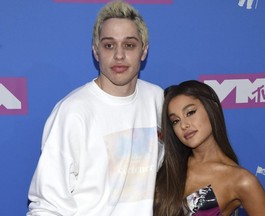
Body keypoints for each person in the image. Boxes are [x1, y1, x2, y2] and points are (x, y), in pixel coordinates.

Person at [27, 1, 164, 215]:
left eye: (129, 45)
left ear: (144, 51)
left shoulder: (157, 99)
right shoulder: (73, 111)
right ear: (96, 51)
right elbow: (46, 205)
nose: (119, 55)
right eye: (109, 45)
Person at [153, 80, 265, 216]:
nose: (184, 125)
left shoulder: (241, 181)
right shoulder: (166, 167)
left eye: (190, 112)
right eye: (175, 121)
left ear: (212, 107)